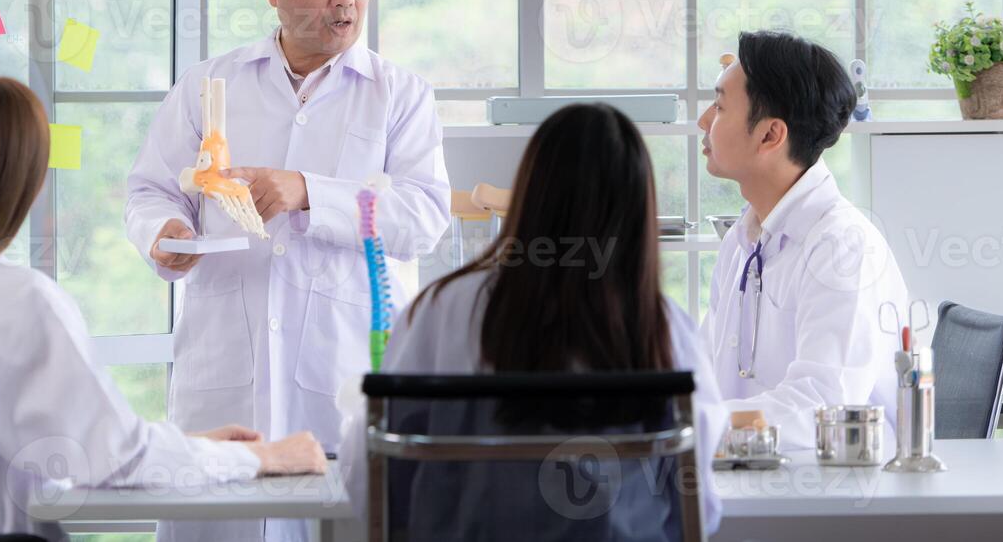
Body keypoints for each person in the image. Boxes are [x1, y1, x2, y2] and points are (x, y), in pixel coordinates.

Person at [0, 78, 325, 542]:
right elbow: (117, 460)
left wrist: (193, 448)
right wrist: (265, 458)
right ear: (30, 180)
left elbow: (74, 445)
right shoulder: (18, 299)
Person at [125, 0, 452, 541]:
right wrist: (163, 234)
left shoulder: (399, 96)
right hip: (226, 381)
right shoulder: (208, 86)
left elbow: (422, 218)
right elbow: (151, 191)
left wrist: (310, 191)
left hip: (339, 380)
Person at [343, 103, 726, 539]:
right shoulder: (663, 325)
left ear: (529, 192)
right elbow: (699, 506)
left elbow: (371, 475)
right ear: (639, 212)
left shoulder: (440, 310)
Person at [700, 31, 909, 450]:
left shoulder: (841, 247)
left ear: (770, 136)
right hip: (752, 475)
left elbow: (820, 407)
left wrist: (697, 427)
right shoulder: (742, 241)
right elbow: (705, 374)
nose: (704, 120)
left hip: (840, 494)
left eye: (720, 106)